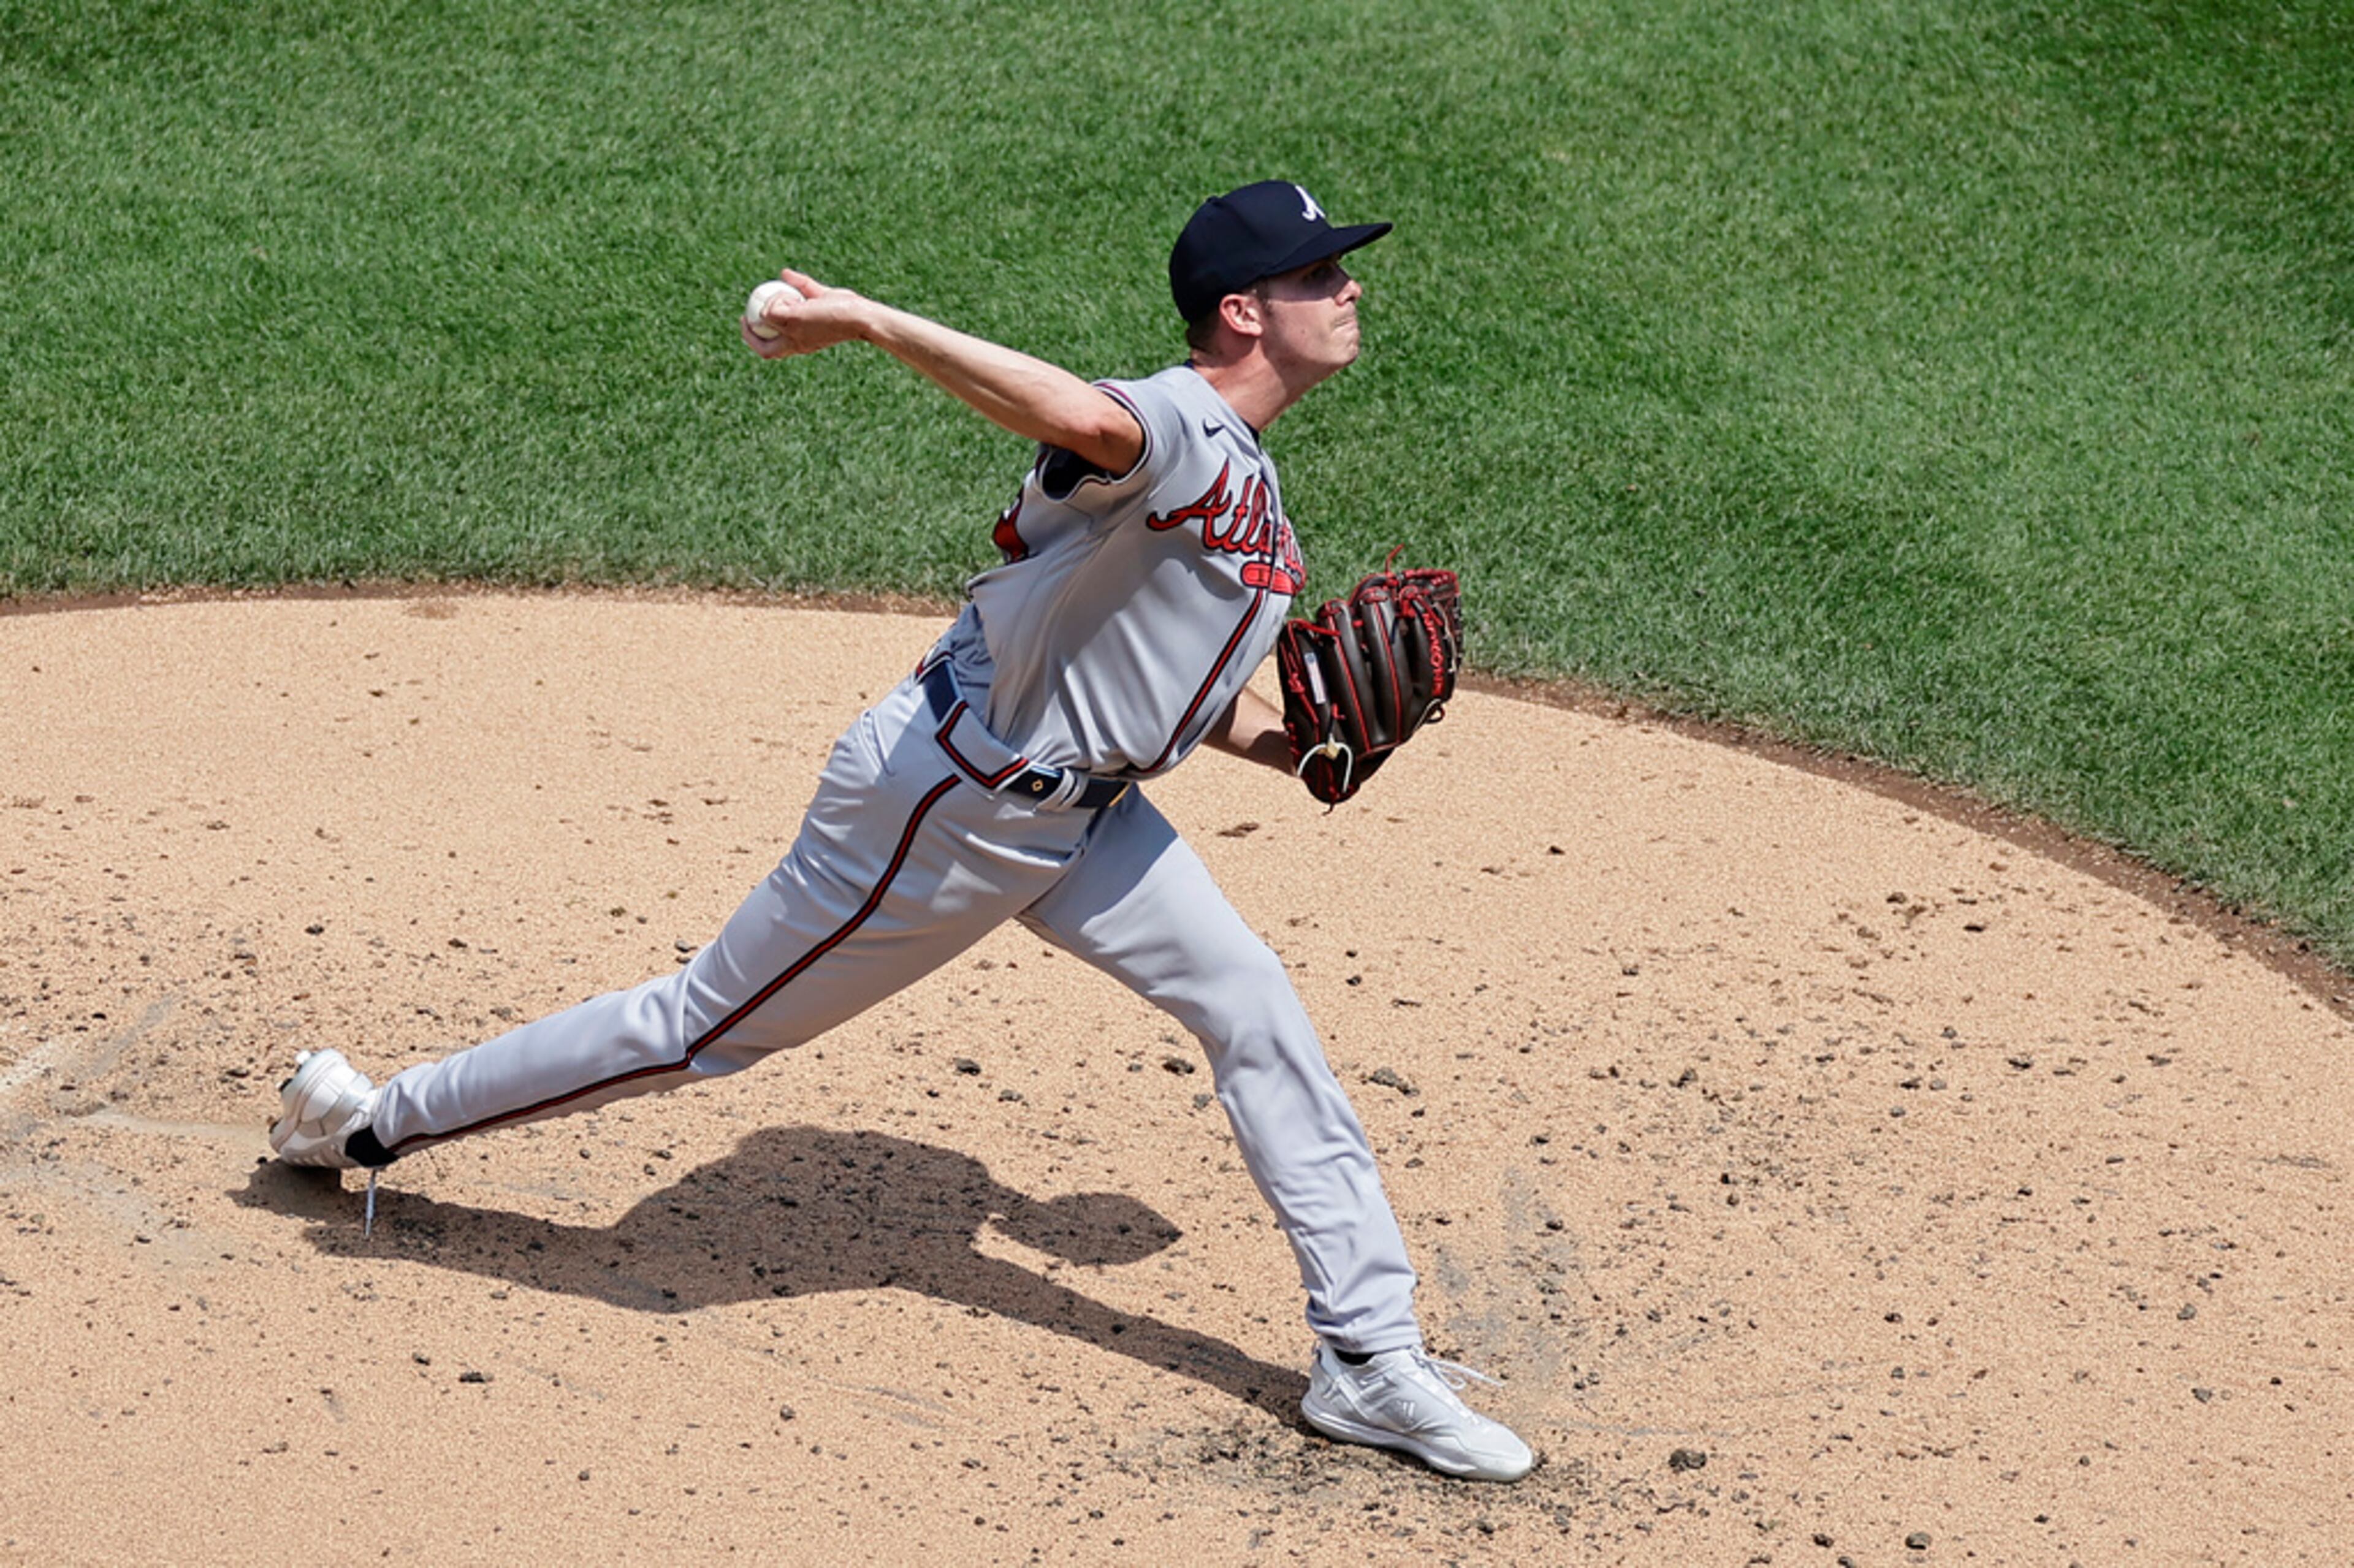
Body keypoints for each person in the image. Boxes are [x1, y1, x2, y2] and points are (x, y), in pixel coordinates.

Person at [270, 180, 1535, 1482]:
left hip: (1084, 814)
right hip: (949, 806)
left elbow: (1154, 685)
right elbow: (1081, 416)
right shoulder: (1177, 424)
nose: (1350, 289)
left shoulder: (1249, 487)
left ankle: (1369, 1360)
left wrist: (1298, 745)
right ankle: (368, 1122)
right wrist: (870, 322)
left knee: (1253, 1008)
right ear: (1241, 312)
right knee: (698, 1028)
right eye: (1321, 276)